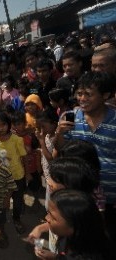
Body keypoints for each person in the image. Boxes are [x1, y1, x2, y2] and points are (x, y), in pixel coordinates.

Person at [54, 71, 116, 243]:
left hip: (111, 196)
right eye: (79, 94)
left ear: (105, 95)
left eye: (88, 94)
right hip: (80, 193)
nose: (82, 99)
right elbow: (61, 150)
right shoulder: (69, 117)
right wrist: (59, 133)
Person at [35, 189, 115, 260]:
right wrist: (55, 257)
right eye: (48, 213)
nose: (46, 218)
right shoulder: (69, 236)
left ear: (74, 225)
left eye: (53, 217)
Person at [0, 111, 27, 234]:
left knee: (17, 201)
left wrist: (28, 173)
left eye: (3, 124)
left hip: (17, 176)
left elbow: (23, 157)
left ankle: (16, 219)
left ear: (9, 124)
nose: (1, 128)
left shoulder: (17, 139)